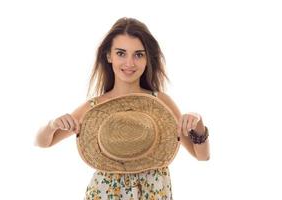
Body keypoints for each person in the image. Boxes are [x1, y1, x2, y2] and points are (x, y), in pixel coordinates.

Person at [35, 17, 210, 200]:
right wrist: (52, 124)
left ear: (147, 58)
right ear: (109, 56)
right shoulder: (95, 108)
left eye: (138, 54)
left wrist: (198, 121)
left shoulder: (160, 103)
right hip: (105, 193)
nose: (129, 63)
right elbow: (42, 142)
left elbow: (202, 156)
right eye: (121, 53)